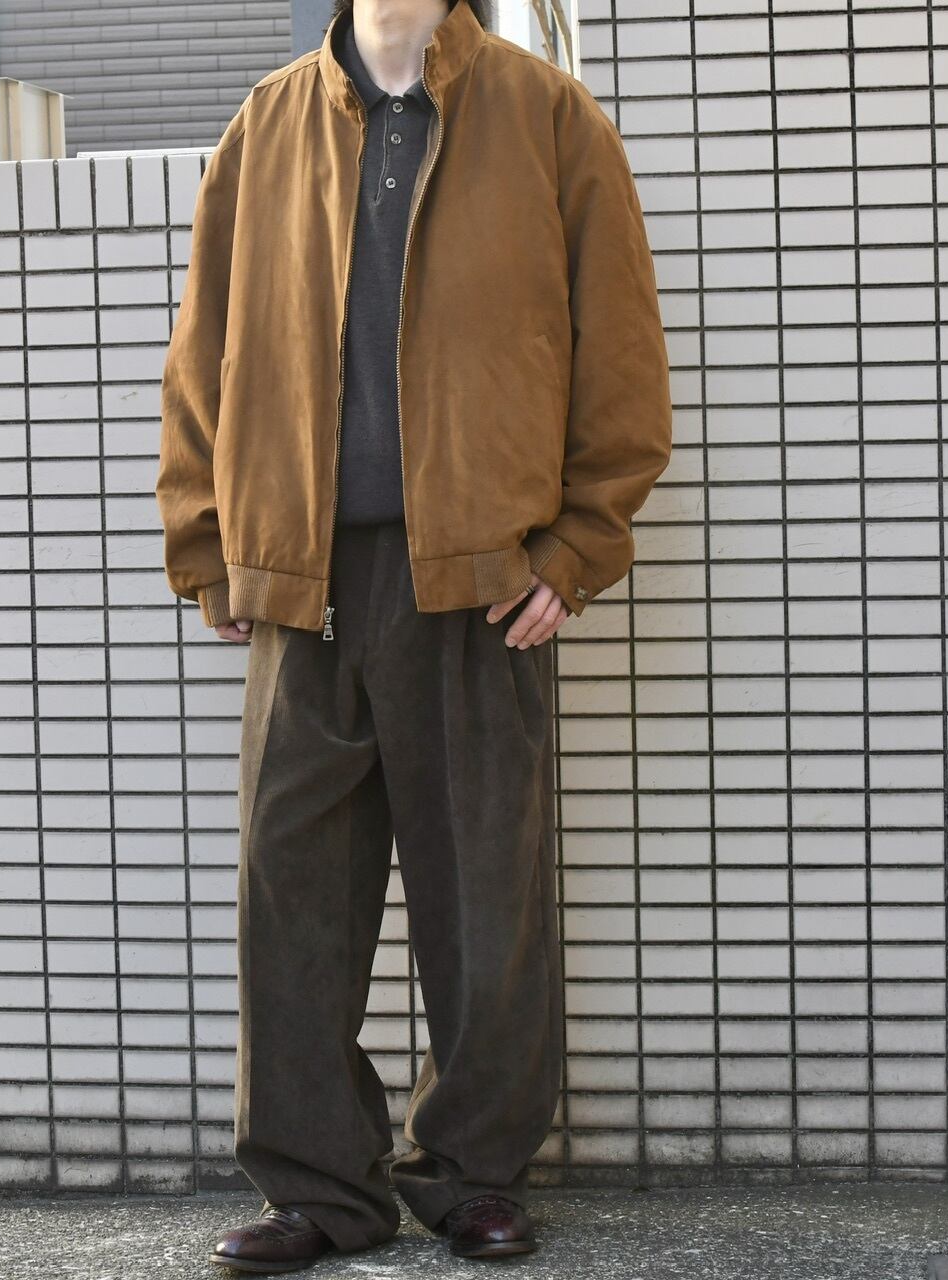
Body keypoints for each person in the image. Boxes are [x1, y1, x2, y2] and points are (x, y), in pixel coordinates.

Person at [155, 0, 672, 1269]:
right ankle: (318, 1187)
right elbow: (204, 349)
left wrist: (575, 546)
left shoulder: (549, 119)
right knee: (291, 898)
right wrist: (208, 540)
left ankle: (473, 1173)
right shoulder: (265, 126)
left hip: (479, 579)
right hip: (303, 577)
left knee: (485, 898)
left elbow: (619, 350)